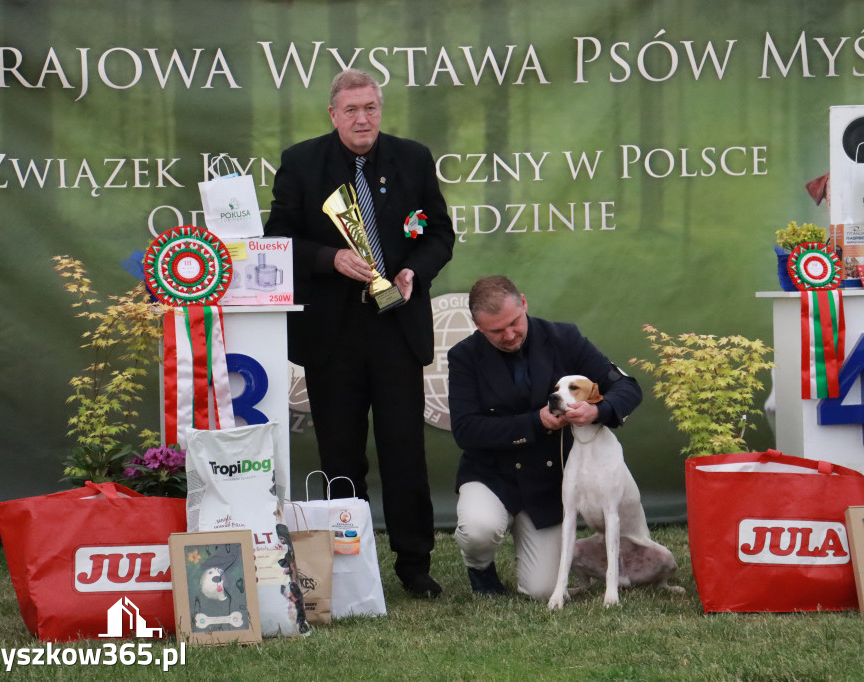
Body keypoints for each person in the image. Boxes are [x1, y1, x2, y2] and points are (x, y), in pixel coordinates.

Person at [264, 68, 453, 598]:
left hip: (397, 328)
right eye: (351, 110)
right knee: (341, 456)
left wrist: (417, 270)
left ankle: (414, 565)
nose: (362, 118)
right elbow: (277, 240)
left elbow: (439, 233)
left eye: (370, 107)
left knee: (404, 451)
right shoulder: (302, 162)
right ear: (333, 114)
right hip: (332, 336)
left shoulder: (413, 158)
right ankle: (348, 565)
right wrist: (330, 258)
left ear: (380, 110)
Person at [447, 275, 642, 598]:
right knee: (478, 530)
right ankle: (480, 567)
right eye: (496, 331)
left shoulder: (564, 337)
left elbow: (627, 387)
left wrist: (598, 411)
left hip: (549, 480)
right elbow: (466, 429)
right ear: (477, 325)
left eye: (514, 323)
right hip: (492, 475)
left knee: (542, 590)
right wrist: (535, 423)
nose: (509, 335)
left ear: (524, 303)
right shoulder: (463, 356)